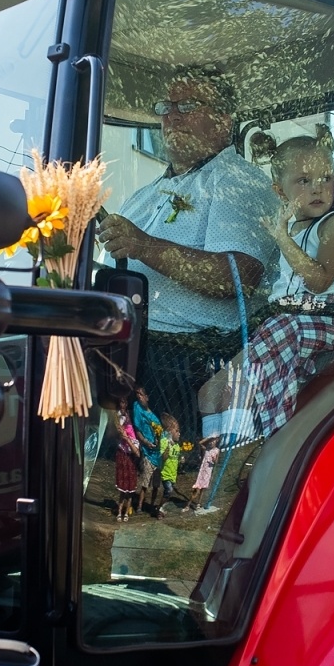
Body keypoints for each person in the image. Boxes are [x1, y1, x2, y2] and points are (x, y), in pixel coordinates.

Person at [95, 75, 279, 437]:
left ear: (224, 120)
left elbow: (235, 278)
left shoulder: (237, 180)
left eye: (188, 106)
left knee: (172, 470)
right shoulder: (146, 194)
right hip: (126, 353)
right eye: (166, 107)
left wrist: (144, 246)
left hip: (187, 366)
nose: (172, 116)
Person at [236, 131, 334, 436]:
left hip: (326, 318)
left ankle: (270, 431)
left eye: (325, 178)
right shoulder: (293, 228)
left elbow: (318, 281)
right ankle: (242, 423)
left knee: (279, 332)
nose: (317, 187)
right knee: (244, 352)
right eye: (304, 180)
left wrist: (282, 239)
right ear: (281, 192)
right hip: (293, 319)